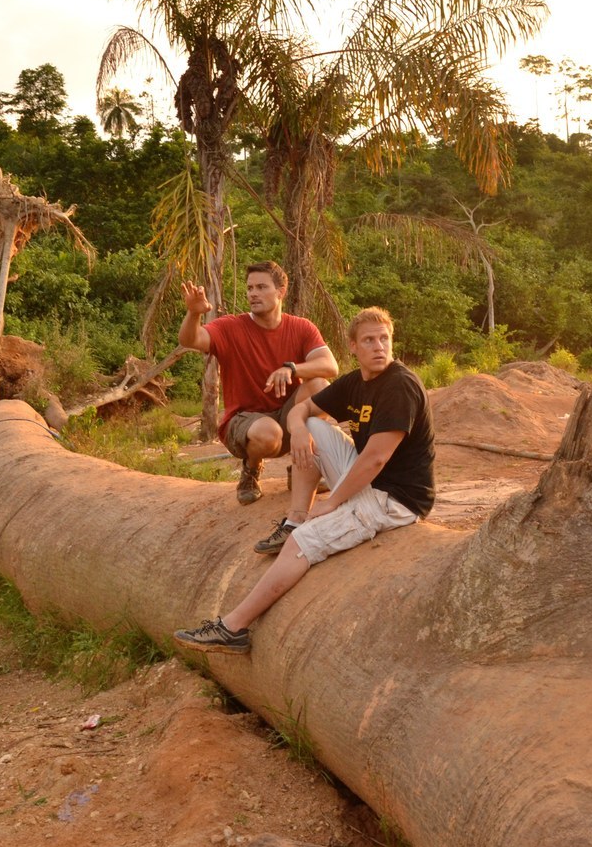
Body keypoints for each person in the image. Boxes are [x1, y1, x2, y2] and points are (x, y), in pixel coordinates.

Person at [174, 306, 434, 655]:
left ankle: (233, 628)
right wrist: (296, 430)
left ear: (392, 342)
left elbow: (376, 459)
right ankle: (294, 517)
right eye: (369, 340)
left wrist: (332, 502)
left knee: (302, 543)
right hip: (369, 480)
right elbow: (303, 409)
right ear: (353, 347)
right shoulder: (357, 382)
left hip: (393, 498)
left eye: (384, 339)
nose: (378, 347)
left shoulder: (399, 385)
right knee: (311, 427)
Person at [179, 261, 338, 525]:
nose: (253, 293)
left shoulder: (301, 328)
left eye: (262, 287)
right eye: (250, 288)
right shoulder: (230, 327)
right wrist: (193, 314)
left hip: (288, 416)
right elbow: (190, 340)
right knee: (269, 433)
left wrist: (291, 369)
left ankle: (301, 468)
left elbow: (330, 366)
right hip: (245, 422)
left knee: (320, 387)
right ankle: (251, 470)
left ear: (281, 292)